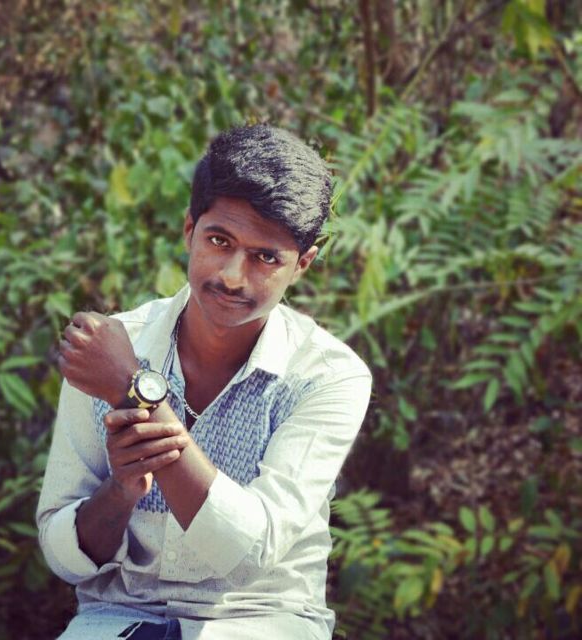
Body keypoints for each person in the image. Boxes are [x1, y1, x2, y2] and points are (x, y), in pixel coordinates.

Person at [37, 124, 371, 640]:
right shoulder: (111, 348)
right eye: (220, 241)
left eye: (266, 257)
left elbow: (246, 555)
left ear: (302, 264)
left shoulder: (326, 376)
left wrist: (132, 389)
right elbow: (64, 557)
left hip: (261, 620)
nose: (233, 276)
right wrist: (121, 491)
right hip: (117, 619)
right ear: (190, 229)